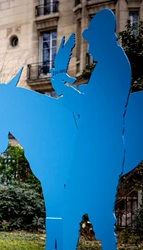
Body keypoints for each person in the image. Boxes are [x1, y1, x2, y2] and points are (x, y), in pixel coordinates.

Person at [52, 9, 131, 250]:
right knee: (93, 212)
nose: (88, 49)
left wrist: (59, 81)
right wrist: (67, 84)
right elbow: (93, 99)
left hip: (98, 150)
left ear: (102, 38)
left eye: (91, 41)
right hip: (100, 148)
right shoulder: (111, 63)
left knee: (79, 209)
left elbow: (91, 107)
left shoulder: (113, 64)